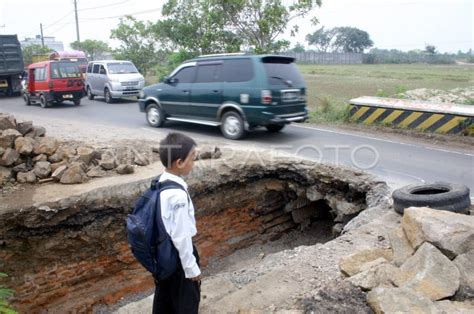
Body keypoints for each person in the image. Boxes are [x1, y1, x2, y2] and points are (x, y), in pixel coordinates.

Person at [153, 132, 201, 314]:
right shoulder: (177, 195)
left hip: (162, 255)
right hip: (178, 259)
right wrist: (191, 269)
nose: (194, 164)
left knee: (164, 300)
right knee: (186, 303)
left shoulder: (160, 181)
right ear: (179, 163)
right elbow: (181, 236)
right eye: (192, 159)